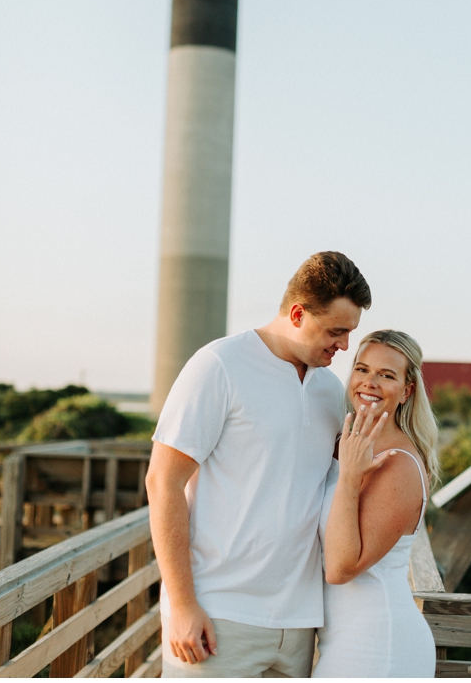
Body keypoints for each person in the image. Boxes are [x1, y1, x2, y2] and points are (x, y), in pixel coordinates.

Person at [146, 251, 372, 677]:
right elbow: (162, 482)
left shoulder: (329, 389)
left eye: (349, 334)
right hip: (218, 614)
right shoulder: (219, 366)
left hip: (299, 621)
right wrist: (183, 604)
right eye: (336, 331)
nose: (344, 345)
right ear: (299, 313)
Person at [313, 330, 439, 676]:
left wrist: (351, 478)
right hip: (338, 638)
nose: (370, 383)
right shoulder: (344, 440)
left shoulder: (398, 465)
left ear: (406, 390)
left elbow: (340, 567)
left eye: (386, 375)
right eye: (362, 369)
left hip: (379, 644)